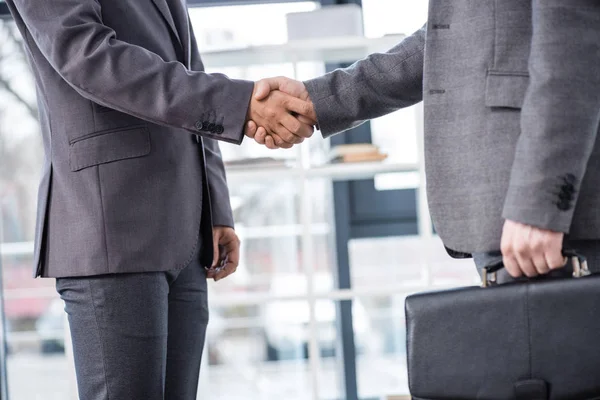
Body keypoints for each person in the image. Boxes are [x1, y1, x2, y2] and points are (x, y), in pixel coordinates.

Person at [4, 0, 314, 399]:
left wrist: (215, 206)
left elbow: (188, 66)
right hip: (110, 227)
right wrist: (241, 103)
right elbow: (89, 57)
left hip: (186, 229)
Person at [247, 0, 600, 281]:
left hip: (544, 214)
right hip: (511, 210)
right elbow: (451, 36)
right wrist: (319, 99)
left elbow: (572, 41)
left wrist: (540, 205)